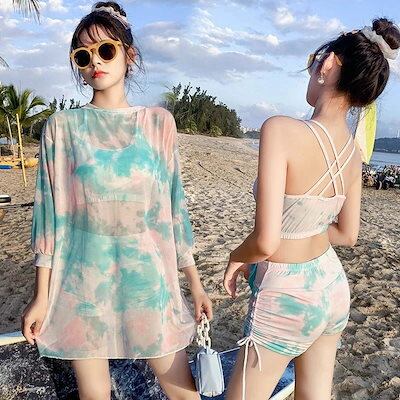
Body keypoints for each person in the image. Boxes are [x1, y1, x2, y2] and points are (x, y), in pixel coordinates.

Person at [21, 2, 212, 399]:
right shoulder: (62, 128)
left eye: (106, 50)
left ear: (130, 55)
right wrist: (42, 296)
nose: (95, 62)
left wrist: (194, 285)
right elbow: (49, 219)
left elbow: (173, 209)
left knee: (183, 392)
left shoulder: (158, 123)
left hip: (149, 282)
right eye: (83, 55)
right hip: (82, 285)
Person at [223, 17, 400, 400]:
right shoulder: (353, 153)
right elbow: (347, 234)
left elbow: (266, 241)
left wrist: (237, 256)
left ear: (328, 64)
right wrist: (303, 231)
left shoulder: (280, 130)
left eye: (313, 60)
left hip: (286, 294)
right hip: (331, 286)